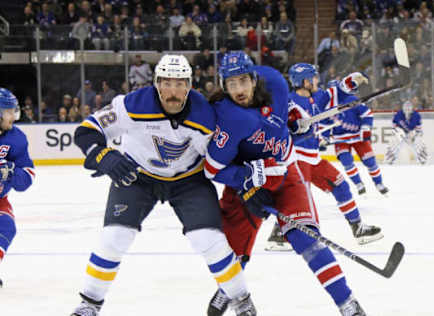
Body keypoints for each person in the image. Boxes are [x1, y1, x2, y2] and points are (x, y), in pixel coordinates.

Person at [70, 55, 256, 316]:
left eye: (180, 84)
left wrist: (247, 181)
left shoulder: (205, 116)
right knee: (114, 237)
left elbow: (217, 163)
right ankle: (89, 304)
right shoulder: (132, 105)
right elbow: (87, 131)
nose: (173, 92)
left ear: (190, 86)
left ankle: (241, 301)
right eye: (167, 83)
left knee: (209, 240)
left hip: (188, 180)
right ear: (156, 83)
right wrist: (103, 155)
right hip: (137, 176)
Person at [204, 52, 366, 316]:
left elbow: (282, 114)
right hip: (246, 184)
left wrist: (294, 119)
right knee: (235, 252)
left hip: (285, 173)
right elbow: (212, 168)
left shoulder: (275, 82)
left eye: (243, 81)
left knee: (308, 240)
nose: (238, 90)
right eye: (231, 84)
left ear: (254, 78)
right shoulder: (228, 117)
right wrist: (246, 180)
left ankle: (348, 303)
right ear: (223, 86)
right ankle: (228, 291)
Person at [265, 63, 383, 251]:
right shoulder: (288, 102)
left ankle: (358, 228)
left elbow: (338, 92)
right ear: (304, 81)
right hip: (296, 158)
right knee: (297, 199)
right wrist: (292, 125)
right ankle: (278, 234)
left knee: (341, 186)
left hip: (314, 159)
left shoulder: (317, 98)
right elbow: (274, 124)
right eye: (313, 78)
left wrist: (353, 80)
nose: (317, 81)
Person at [324, 80, 389, 196]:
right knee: (347, 162)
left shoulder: (351, 100)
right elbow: (323, 124)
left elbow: (367, 114)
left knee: (370, 162)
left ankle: (379, 183)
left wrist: (365, 128)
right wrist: (324, 137)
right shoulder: (326, 107)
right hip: (341, 139)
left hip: (357, 137)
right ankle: (359, 184)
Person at [0, 88, 36, 288]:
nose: (13, 115)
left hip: (0, 199)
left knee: (6, 226)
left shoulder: (17, 138)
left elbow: (27, 178)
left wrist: (11, 171)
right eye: (8, 111)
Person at [385, 101, 428, 165]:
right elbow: (394, 126)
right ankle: (390, 159)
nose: (407, 110)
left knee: (418, 142)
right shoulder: (398, 114)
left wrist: (414, 134)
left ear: (412, 108)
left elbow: (419, 129)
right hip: (400, 131)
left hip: (412, 132)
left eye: (409, 108)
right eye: (406, 108)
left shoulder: (416, 115)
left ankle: (422, 159)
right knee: (395, 141)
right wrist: (398, 132)